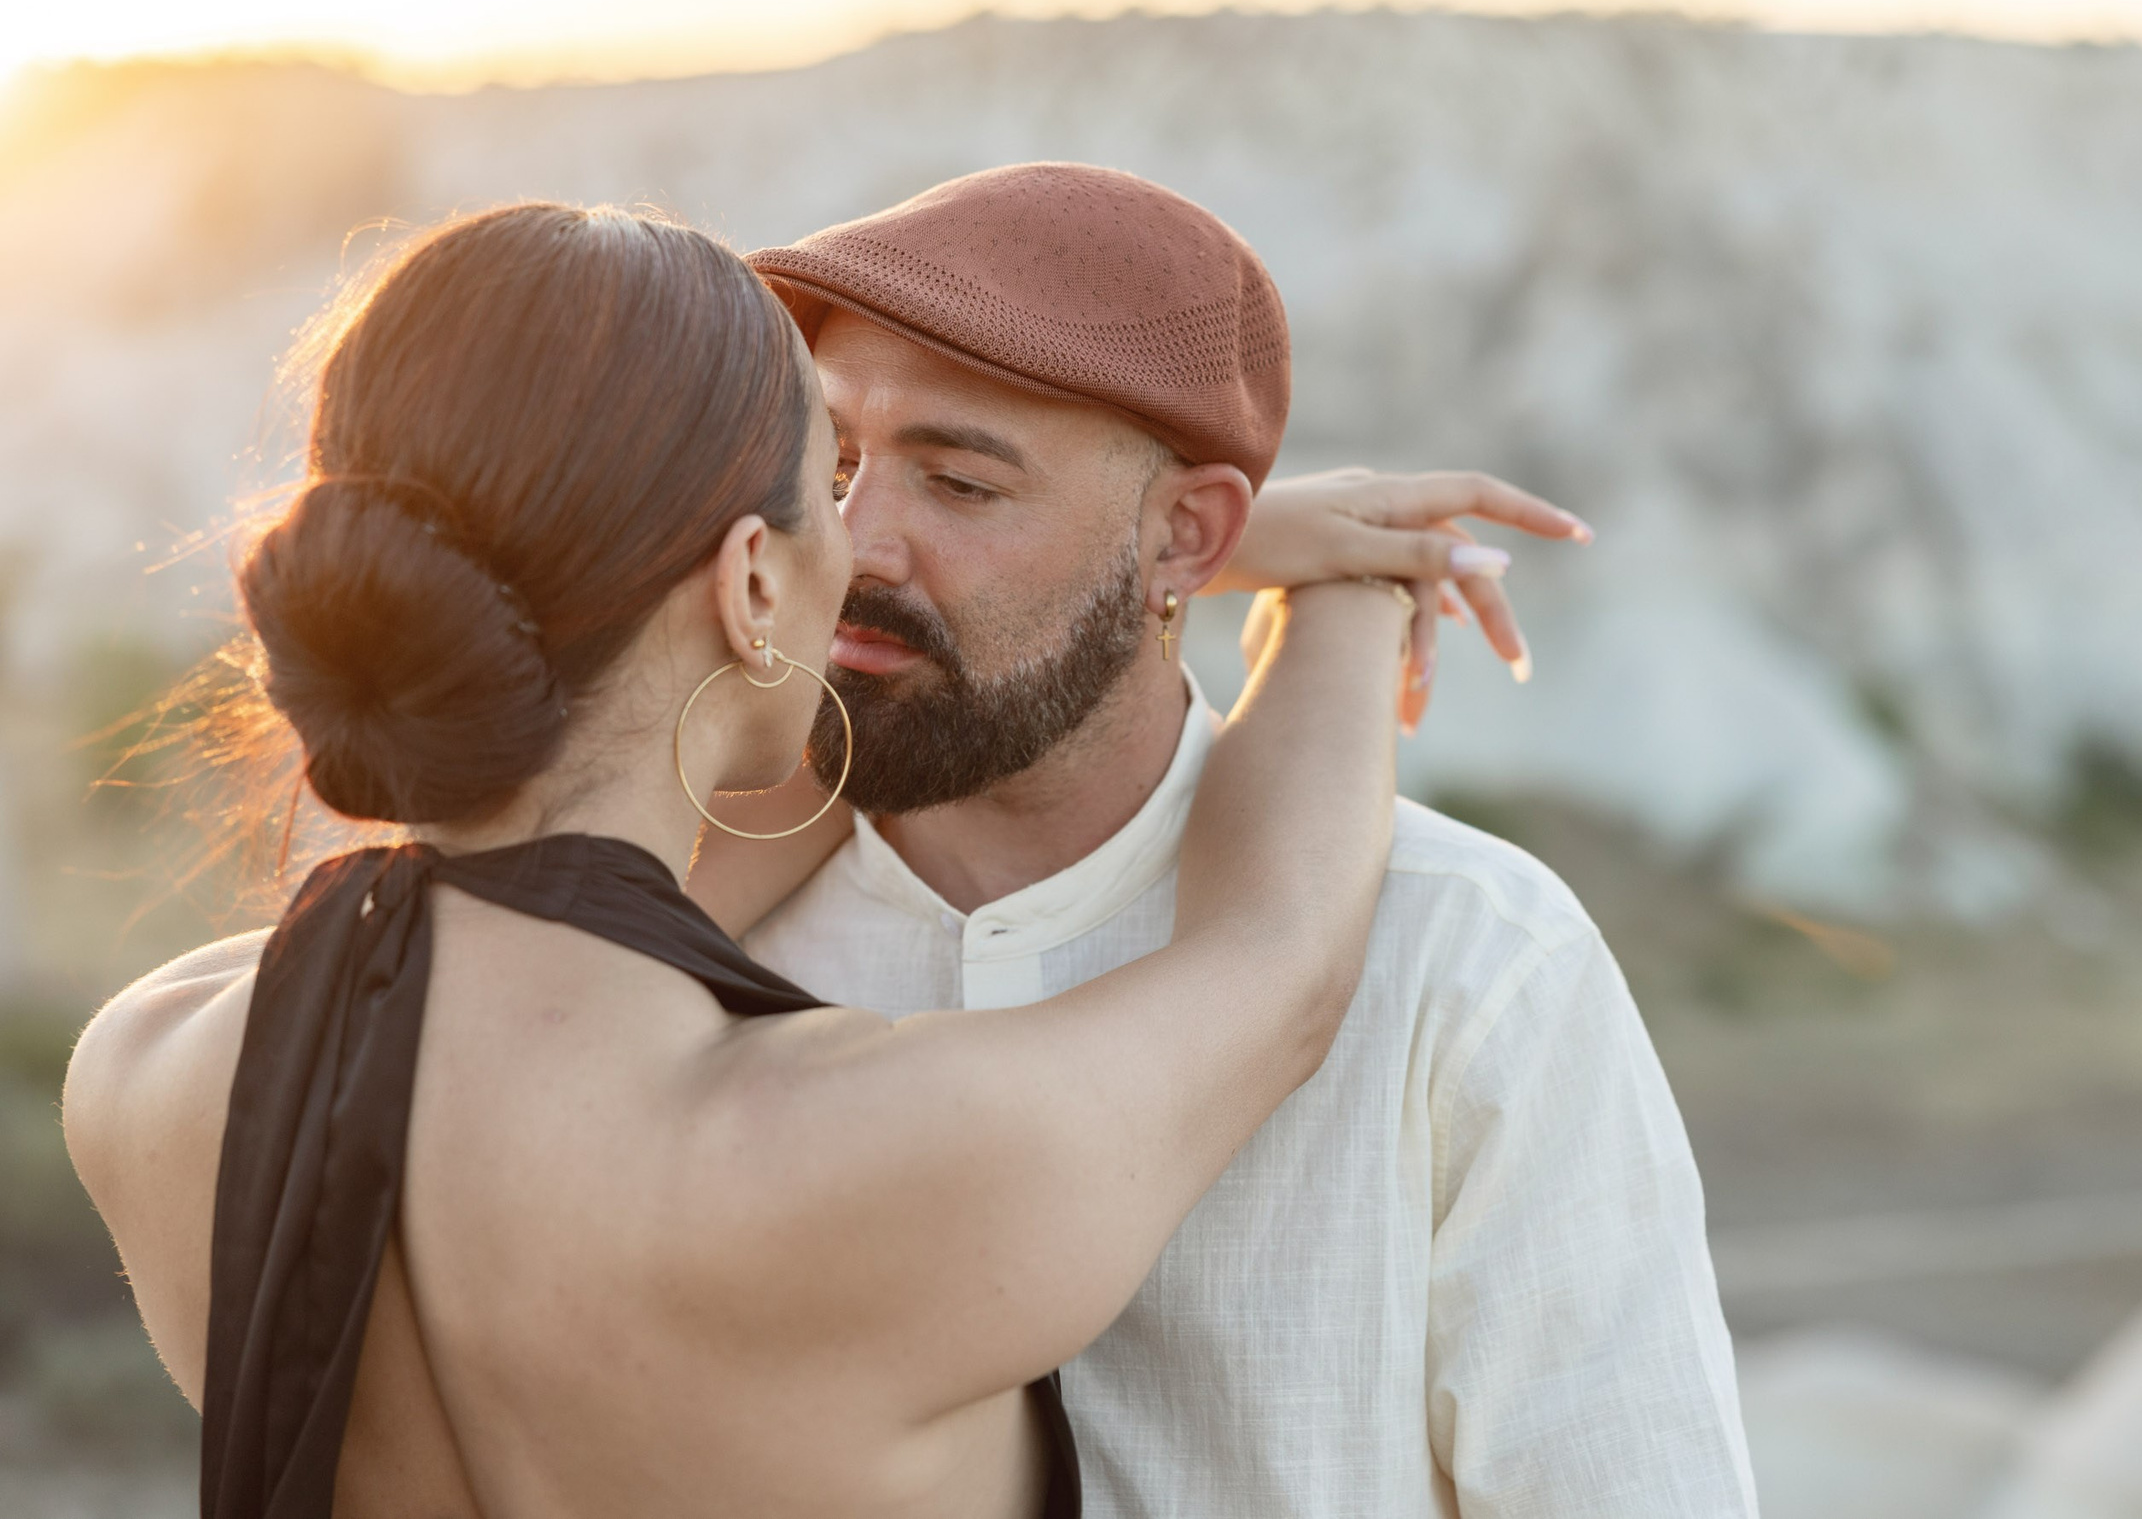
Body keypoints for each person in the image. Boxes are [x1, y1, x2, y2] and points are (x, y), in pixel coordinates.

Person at [57, 200, 1491, 1518]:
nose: (866, 550)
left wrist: (1142, 561)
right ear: (751, 581)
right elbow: (1281, 962)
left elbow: (545, 884)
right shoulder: (880, 1160)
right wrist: (1350, 593)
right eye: (837, 481)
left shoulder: (152, 1066)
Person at [732, 163, 1760, 1517]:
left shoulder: (1467, 964)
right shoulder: (687, 936)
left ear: (1190, 540)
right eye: (836, 463)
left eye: (962, 484)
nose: (858, 544)